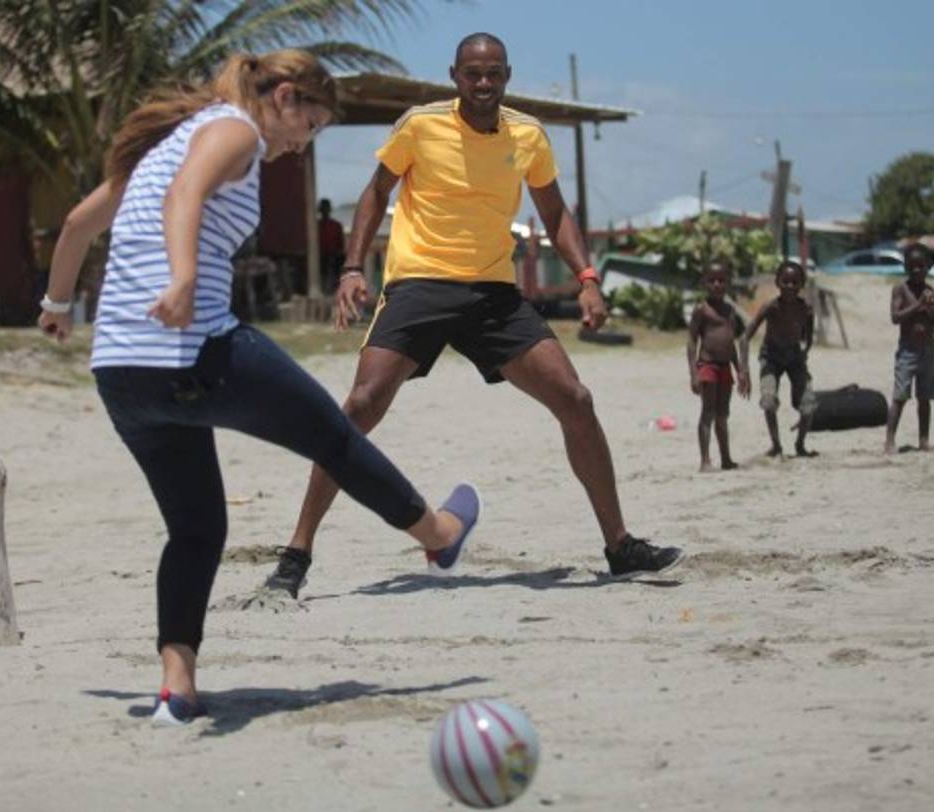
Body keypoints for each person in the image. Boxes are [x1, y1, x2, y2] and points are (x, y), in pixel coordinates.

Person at [37, 50, 480, 727]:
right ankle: (438, 533)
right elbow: (186, 195)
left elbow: (76, 225)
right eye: (311, 125)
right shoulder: (234, 129)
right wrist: (183, 277)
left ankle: (177, 688)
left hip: (121, 372)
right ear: (283, 96)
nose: (304, 144)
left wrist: (57, 304)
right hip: (195, 350)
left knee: (196, 527)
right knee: (333, 435)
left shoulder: (166, 146)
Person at [265, 32, 682, 597]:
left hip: (492, 293)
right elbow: (376, 193)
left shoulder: (527, 135)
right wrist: (353, 269)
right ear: (454, 76)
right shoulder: (420, 125)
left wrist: (587, 278)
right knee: (360, 406)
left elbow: (554, 212)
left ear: (506, 76)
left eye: (493, 74)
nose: (483, 83)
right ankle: (296, 555)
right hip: (418, 284)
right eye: (472, 74)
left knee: (576, 400)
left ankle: (620, 545)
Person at [738, 260, 818, 458]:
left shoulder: (805, 309)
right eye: (785, 282)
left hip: (794, 356)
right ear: (777, 283)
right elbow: (745, 337)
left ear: (802, 284)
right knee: (768, 400)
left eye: (795, 282)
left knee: (808, 403)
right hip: (771, 356)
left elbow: (808, 337)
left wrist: (804, 352)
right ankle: (776, 445)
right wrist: (744, 368)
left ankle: (800, 444)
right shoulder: (771, 307)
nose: (790, 286)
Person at [885, 243, 934, 454]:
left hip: (928, 350)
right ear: (905, 267)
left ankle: (924, 440)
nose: (916, 270)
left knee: (925, 398)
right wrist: (918, 305)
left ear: (929, 267)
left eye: (921, 266)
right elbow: (895, 317)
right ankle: (890, 440)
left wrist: (933, 310)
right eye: (912, 266)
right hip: (907, 351)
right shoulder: (900, 289)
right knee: (900, 396)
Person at [687, 262, 743, 472]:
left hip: (725, 367)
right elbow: (692, 341)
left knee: (723, 414)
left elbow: (731, 343)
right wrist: (693, 373)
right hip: (708, 365)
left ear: (728, 283)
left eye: (721, 280)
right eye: (712, 280)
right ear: (704, 283)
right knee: (708, 412)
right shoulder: (702, 310)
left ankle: (726, 458)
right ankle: (705, 460)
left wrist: (739, 369)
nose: (717, 284)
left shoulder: (730, 310)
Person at [317, 198, 346, 291]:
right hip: (320, 257)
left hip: (334, 256)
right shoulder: (316, 226)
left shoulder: (336, 225)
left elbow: (341, 244)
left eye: (326, 208)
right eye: (323, 208)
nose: (325, 211)